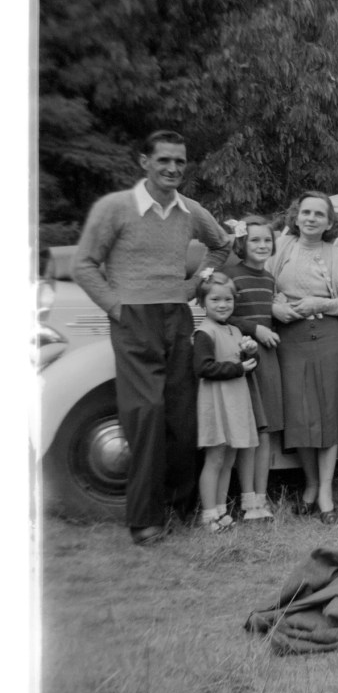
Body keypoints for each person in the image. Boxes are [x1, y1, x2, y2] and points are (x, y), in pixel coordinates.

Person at [73, 130, 233, 545]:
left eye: (180, 161)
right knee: (145, 415)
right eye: (164, 160)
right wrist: (116, 308)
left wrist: (195, 283)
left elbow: (221, 246)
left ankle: (179, 508)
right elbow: (85, 265)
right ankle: (145, 520)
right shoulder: (115, 208)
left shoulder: (190, 211)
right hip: (133, 320)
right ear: (145, 161)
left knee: (181, 416)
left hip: (177, 317)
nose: (172, 169)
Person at [268, 191, 338, 524]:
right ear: (295, 217)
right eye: (305, 212)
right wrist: (275, 309)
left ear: (328, 223)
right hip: (289, 340)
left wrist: (321, 304)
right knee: (302, 415)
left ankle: (325, 492)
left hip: (329, 338)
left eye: (319, 215)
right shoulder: (280, 250)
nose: (311, 219)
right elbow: (259, 289)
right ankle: (309, 485)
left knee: (328, 415)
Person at [224, 216, 283, 521]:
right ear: (242, 243)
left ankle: (262, 498)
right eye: (255, 240)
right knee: (248, 432)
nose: (262, 245)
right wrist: (255, 328)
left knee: (267, 431)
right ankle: (246, 499)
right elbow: (220, 314)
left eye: (267, 240)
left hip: (268, 361)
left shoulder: (270, 279)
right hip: (243, 357)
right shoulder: (231, 275)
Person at [193, 271, 260, 532]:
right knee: (215, 459)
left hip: (235, 401)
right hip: (216, 402)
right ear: (202, 303)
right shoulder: (204, 332)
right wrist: (238, 368)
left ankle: (221, 511)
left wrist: (250, 353)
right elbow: (204, 367)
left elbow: (246, 365)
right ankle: (208, 514)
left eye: (228, 300)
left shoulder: (234, 329)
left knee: (229, 459)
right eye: (215, 300)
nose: (222, 305)